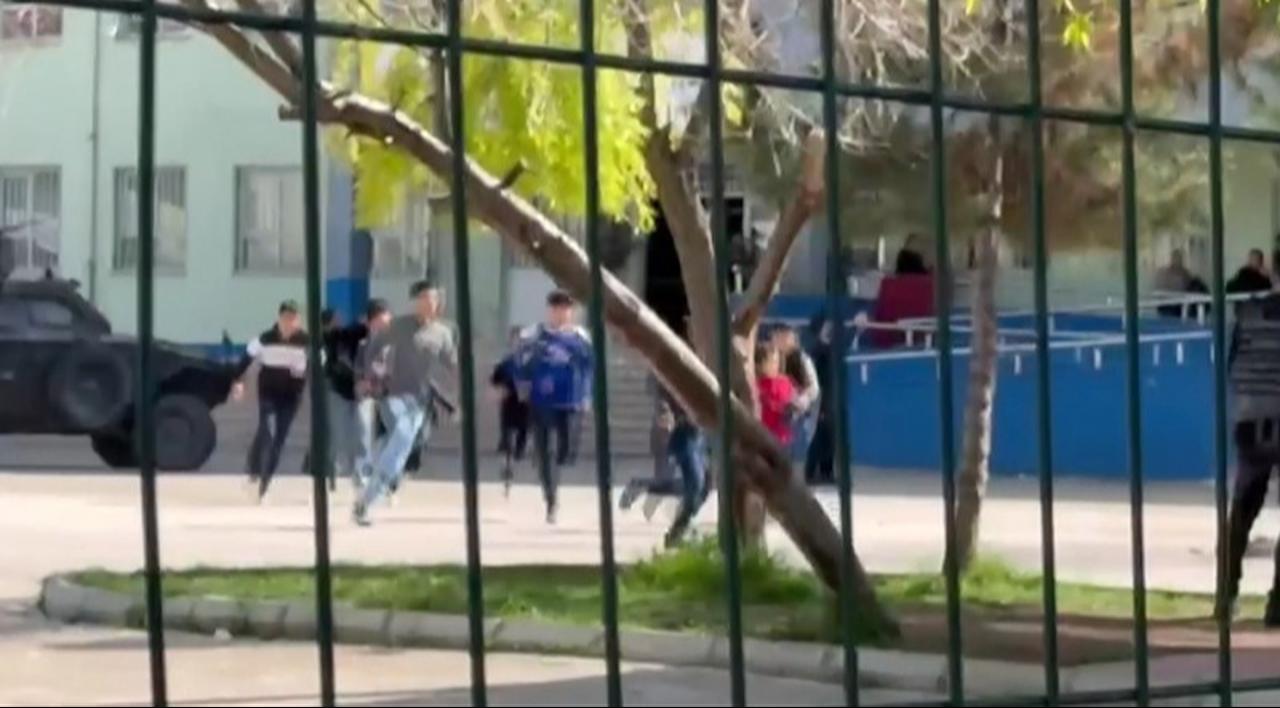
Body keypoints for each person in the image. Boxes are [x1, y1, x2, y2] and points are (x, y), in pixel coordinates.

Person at [352, 281, 458, 526]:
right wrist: (369, 376)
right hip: (394, 394)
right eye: (423, 299)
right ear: (414, 302)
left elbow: (451, 364)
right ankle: (371, 479)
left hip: (420, 399)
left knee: (401, 446)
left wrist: (457, 395)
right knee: (401, 435)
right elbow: (374, 347)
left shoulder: (442, 333)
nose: (429, 304)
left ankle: (367, 498)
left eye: (433, 299)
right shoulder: (399, 326)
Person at [1223, 294, 1280, 627]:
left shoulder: (1248, 314)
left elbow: (1232, 364)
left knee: (1241, 511)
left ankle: (1225, 596)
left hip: (1251, 418)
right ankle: (1277, 608)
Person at [515, 290, 593, 524]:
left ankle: (553, 473)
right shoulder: (535, 335)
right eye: (556, 308)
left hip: (571, 402)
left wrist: (587, 395)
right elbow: (520, 362)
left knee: (566, 452)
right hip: (542, 402)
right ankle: (551, 498)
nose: (560, 313)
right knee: (545, 452)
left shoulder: (580, 338)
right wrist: (523, 384)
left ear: (572, 312)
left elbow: (590, 368)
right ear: (549, 310)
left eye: (565, 308)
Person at [234, 300, 310, 501]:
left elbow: (319, 364)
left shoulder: (307, 341)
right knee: (267, 431)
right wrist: (238, 381)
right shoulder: (265, 339)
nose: (289, 322)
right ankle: (253, 471)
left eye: (293, 318)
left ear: (299, 320)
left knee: (278, 440)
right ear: (279, 318)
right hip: (268, 394)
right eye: (286, 317)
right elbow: (245, 359)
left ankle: (263, 486)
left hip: (291, 397)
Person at [619, 385, 709, 548]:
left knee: (702, 488)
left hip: (700, 434)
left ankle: (676, 532)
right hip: (685, 435)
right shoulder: (678, 374)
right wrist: (666, 413)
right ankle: (674, 534)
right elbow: (665, 390)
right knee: (695, 485)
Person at [351, 298, 392, 492]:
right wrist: (361, 382)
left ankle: (384, 475)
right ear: (369, 323)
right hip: (368, 395)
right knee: (365, 433)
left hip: (391, 395)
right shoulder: (363, 345)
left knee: (388, 436)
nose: (383, 326)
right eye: (378, 322)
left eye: (386, 322)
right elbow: (357, 367)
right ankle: (363, 474)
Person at [490, 326, 531, 497]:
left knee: (521, 441)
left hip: (527, 406)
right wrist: (500, 390)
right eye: (516, 339)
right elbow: (494, 380)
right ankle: (506, 467)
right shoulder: (506, 363)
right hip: (509, 404)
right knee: (507, 438)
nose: (519, 343)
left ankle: (512, 461)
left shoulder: (533, 363)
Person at [772, 325, 820, 463]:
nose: (781, 340)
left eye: (785, 336)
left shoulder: (802, 359)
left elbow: (813, 388)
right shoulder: (768, 356)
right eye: (778, 336)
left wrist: (799, 401)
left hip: (796, 410)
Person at [805, 318, 836, 485]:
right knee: (816, 437)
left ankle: (827, 471)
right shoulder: (816, 351)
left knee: (830, 438)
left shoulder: (832, 349)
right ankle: (810, 472)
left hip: (831, 398)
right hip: (820, 398)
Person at [756, 343, 796, 445]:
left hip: (782, 434)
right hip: (763, 432)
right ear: (760, 364)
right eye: (771, 362)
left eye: (777, 362)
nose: (775, 365)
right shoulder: (757, 384)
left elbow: (792, 401)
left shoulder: (785, 382)